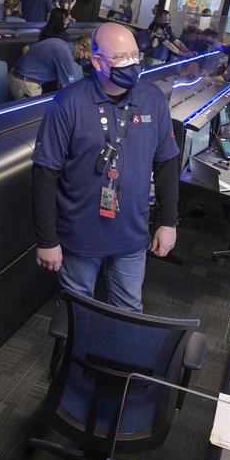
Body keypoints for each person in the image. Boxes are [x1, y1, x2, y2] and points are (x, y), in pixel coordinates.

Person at [31, 22, 180, 313]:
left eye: (135, 56)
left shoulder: (152, 100)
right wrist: (46, 239)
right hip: (80, 237)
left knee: (128, 313)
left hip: (132, 236)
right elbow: (44, 175)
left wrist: (168, 221)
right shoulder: (68, 103)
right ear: (97, 61)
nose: (133, 64)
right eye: (122, 58)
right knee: (76, 314)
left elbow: (166, 163)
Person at [9, 9, 81, 99]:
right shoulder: (63, 40)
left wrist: (30, 67)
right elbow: (66, 87)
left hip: (23, 77)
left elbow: (26, 48)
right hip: (32, 83)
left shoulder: (45, 31)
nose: (70, 18)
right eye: (67, 16)